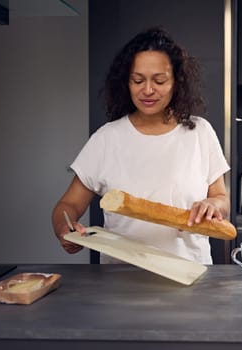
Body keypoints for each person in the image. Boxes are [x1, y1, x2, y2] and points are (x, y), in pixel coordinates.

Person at [51, 27, 230, 264]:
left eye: (159, 80)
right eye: (138, 80)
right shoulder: (107, 139)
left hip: (190, 274)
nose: (147, 90)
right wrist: (65, 228)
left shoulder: (200, 132)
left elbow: (221, 199)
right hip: (120, 280)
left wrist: (212, 205)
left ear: (176, 82)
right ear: (126, 82)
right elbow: (68, 204)